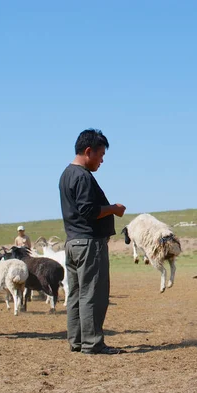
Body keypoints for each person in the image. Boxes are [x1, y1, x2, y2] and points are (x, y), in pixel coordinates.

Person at [59, 129, 126, 355]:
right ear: (88, 151)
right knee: (93, 294)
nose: (102, 160)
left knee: (76, 294)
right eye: (100, 154)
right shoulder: (82, 176)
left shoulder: (66, 174)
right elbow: (88, 211)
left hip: (73, 243)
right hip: (89, 244)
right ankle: (92, 342)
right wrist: (113, 210)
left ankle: (77, 340)